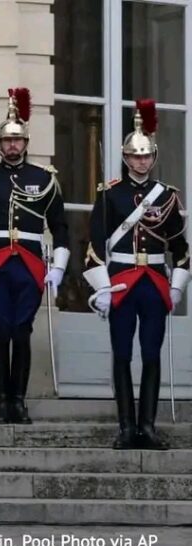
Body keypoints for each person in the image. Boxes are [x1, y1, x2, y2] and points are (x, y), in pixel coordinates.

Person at [0, 87, 69, 425]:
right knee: (0, 331)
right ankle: (2, 401)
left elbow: (60, 227)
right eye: (7, 140)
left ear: (26, 142)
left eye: (17, 140)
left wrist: (59, 267)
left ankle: (18, 401)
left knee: (22, 331)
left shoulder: (44, 179)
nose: (12, 146)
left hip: (31, 266)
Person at [83, 99, 187, 451]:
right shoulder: (111, 194)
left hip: (155, 283)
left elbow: (182, 249)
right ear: (125, 158)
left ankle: (148, 426)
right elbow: (94, 246)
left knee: (152, 354)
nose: (140, 162)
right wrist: (102, 288)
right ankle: (126, 427)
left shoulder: (168, 197)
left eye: (145, 156)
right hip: (123, 282)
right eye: (134, 156)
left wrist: (176, 287)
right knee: (123, 354)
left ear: (153, 157)